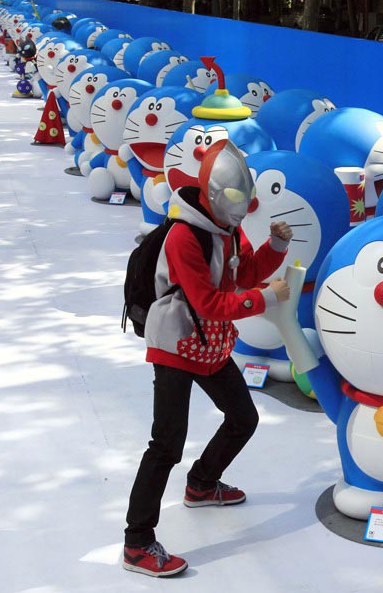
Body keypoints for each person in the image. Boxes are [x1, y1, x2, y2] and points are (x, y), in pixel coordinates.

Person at [122, 140, 293, 578]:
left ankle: (201, 483)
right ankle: (137, 542)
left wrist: (273, 246)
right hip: (176, 343)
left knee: (243, 418)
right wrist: (264, 301)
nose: (241, 209)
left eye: (244, 199)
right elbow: (209, 302)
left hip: (210, 343)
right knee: (166, 443)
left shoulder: (228, 228)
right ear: (214, 194)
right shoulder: (185, 235)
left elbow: (245, 273)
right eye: (235, 200)